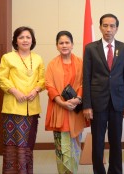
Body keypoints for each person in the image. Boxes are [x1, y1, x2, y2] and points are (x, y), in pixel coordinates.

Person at [83, 13, 124, 174]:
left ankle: (115, 171)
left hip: (118, 102)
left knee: (116, 141)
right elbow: (86, 77)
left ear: (117, 28)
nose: (108, 29)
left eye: (112, 26)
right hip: (97, 103)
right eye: (105, 25)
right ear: (100, 27)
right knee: (97, 142)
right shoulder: (91, 48)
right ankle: (99, 171)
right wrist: (87, 105)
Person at [0, 26, 45, 174]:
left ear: (32, 40)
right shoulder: (8, 57)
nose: (25, 40)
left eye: (28, 37)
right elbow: (1, 77)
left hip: (32, 108)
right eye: (21, 37)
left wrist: (36, 90)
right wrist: (15, 91)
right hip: (13, 107)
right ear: (16, 41)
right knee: (13, 146)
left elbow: (42, 80)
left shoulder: (37, 58)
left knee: (28, 146)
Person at [45, 30, 88, 174]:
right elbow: (49, 86)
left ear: (72, 44)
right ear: (57, 46)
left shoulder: (81, 63)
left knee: (74, 148)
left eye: (67, 42)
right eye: (61, 43)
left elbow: (84, 83)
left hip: (75, 111)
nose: (64, 45)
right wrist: (62, 103)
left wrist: (78, 99)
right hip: (59, 110)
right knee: (62, 150)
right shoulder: (52, 64)